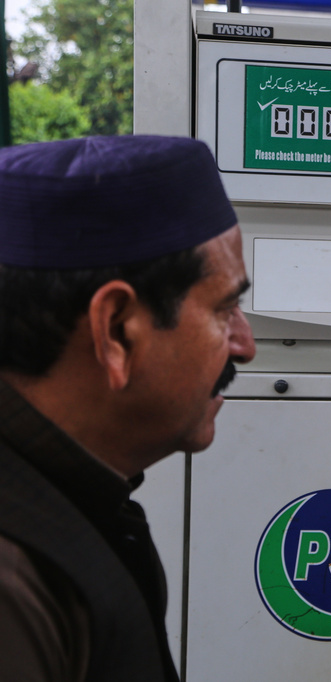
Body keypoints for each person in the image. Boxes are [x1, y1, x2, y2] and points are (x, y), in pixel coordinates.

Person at [0, 136, 256, 681]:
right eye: (224, 309)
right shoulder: (13, 587)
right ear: (115, 330)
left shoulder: (74, 500)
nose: (245, 346)